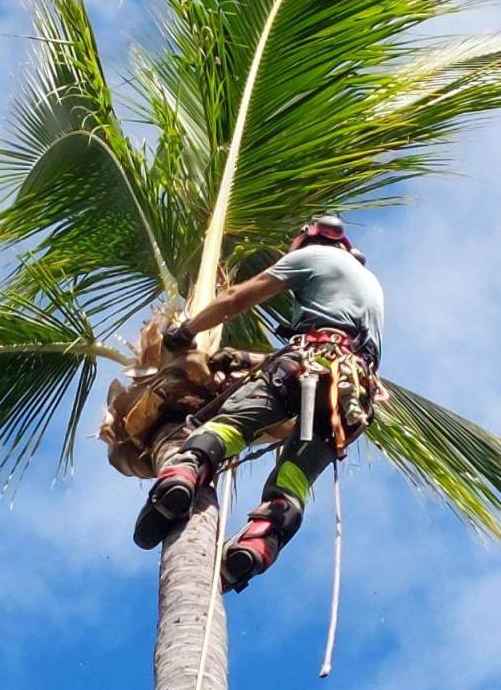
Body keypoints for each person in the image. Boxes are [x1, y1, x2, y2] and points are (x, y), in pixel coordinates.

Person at [133, 215, 385, 593]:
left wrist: (186, 331)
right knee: (295, 478)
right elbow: (336, 340)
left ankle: (183, 475)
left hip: (305, 365)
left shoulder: (313, 256)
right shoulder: (370, 285)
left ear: (309, 238)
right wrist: (245, 359)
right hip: (351, 395)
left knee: (230, 426)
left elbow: (238, 298)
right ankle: (258, 543)